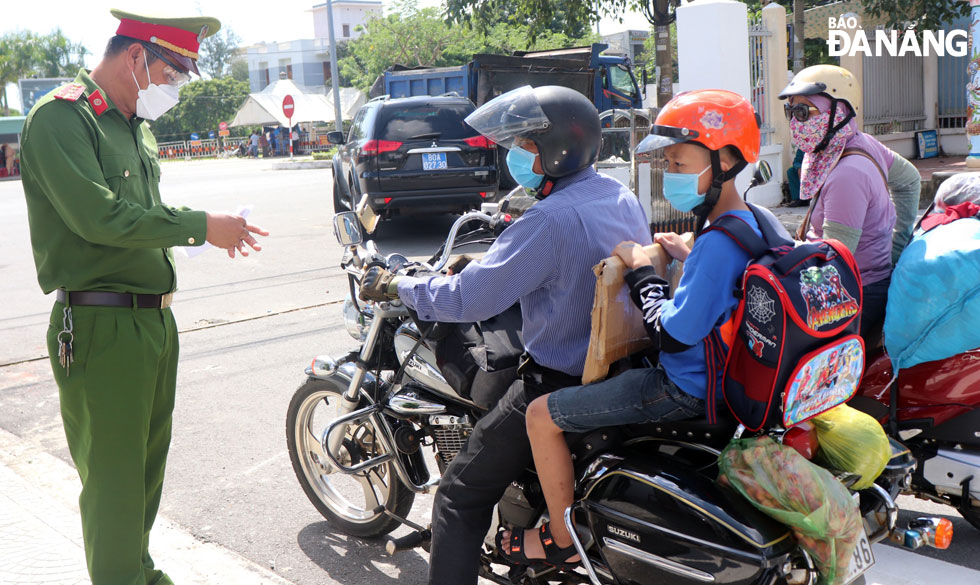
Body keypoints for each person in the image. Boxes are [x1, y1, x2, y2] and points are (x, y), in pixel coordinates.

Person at [357, 85, 652, 585]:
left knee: (457, 495)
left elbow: (465, 301)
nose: (516, 155)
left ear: (558, 148)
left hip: (559, 382)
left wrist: (398, 283)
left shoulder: (547, 219)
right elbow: (563, 267)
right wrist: (483, 264)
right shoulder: (615, 194)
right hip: (621, 367)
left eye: (526, 145)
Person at [19, 10, 268, 585]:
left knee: (145, 476)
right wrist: (199, 225)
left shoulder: (133, 123)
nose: (175, 89)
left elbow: (140, 218)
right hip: (100, 325)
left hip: (153, 323)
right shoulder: (62, 118)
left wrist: (193, 233)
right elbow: (98, 217)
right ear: (136, 57)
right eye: (173, 73)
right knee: (114, 486)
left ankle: (138, 574)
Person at [499, 89, 779, 568]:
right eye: (667, 163)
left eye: (681, 162)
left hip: (683, 387)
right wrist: (690, 260)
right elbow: (743, 285)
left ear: (728, 159)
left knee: (540, 415)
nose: (671, 175)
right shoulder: (757, 222)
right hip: (732, 378)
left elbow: (671, 335)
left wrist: (640, 270)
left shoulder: (717, 242)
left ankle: (562, 540)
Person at [779, 65, 905, 346]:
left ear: (839, 111)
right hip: (861, 281)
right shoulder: (856, 142)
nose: (795, 122)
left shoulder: (848, 174)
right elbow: (909, 179)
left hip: (855, 292)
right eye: (791, 112)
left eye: (803, 112)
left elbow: (833, 262)